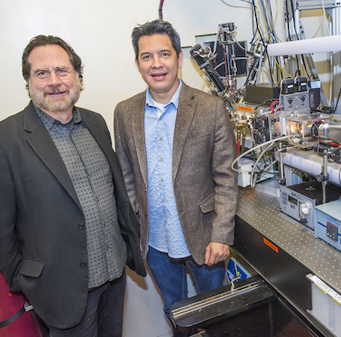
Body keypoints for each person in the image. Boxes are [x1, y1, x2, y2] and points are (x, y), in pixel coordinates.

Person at [0, 35, 146, 337]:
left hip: (114, 278)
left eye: (63, 71)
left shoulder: (96, 122)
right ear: (28, 83)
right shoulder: (1, 140)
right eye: (41, 73)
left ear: (78, 78)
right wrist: (27, 281)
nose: (54, 81)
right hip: (59, 292)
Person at [114, 20, 238, 332]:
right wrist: (135, 229)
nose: (156, 64)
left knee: (216, 314)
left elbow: (226, 176)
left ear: (179, 58)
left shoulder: (211, 108)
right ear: (137, 63)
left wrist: (222, 234)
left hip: (205, 237)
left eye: (164, 54)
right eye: (146, 56)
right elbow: (126, 175)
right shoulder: (124, 112)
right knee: (177, 312)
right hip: (154, 242)